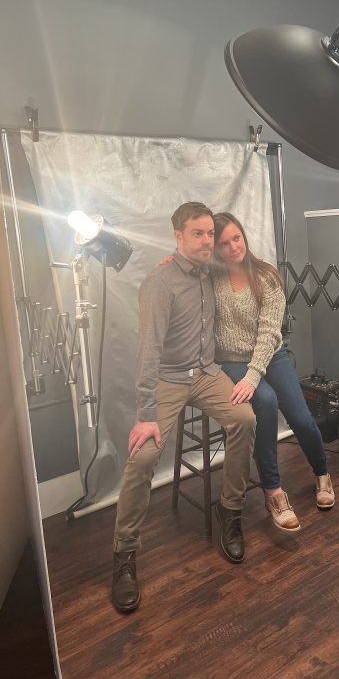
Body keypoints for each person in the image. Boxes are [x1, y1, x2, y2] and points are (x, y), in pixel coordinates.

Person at [112, 202, 256, 614]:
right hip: (169, 379)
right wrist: (145, 413)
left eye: (210, 234)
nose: (208, 241)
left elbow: (242, 262)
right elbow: (148, 352)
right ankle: (124, 553)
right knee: (143, 458)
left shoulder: (209, 270)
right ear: (177, 236)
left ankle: (230, 512)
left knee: (246, 418)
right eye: (198, 234)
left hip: (207, 374)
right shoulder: (159, 283)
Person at [212, 212, 334, 533]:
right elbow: (183, 275)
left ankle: (322, 473)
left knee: (301, 418)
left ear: (244, 236)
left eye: (236, 237)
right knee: (264, 402)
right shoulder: (210, 277)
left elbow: (268, 333)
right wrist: (171, 261)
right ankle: (274, 492)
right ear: (216, 248)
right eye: (224, 243)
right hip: (232, 359)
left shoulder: (266, 276)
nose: (233, 246)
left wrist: (254, 375)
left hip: (271, 354)